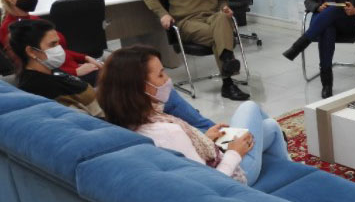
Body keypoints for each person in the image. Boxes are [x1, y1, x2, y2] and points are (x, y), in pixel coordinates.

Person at [98, 45, 289, 186]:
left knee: (270, 127)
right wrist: (234, 152)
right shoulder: (167, 131)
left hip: (213, 159)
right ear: (140, 87)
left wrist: (204, 138)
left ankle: (290, 169)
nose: (168, 80)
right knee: (250, 107)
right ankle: (285, 175)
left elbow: (183, 155)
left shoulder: (128, 121)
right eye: (161, 75)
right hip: (234, 177)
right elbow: (210, 184)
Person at [8, 19, 215, 129]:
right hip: (117, 119)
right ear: (31, 51)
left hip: (110, 106)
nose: (59, 49)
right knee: (162, 90)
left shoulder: (47, 70)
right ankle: (209, 132)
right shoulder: (39, 86)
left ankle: (208, 130)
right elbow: (84, 121)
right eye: (53, 45)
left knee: (160, 86)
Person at [143, 0, 250, 101]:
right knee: (223, 37)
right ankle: (228, 81)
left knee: (222, 19)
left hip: (213, 18)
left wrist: (224, 8)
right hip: (187, 22)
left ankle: (227, 62)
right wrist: (163, 14)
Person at [1, 0, 104, 84]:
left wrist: (84, 57)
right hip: (57, 78)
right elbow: (30, 68)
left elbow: (58, 50)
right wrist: (74, 72)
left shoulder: (35, 19)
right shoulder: (10, 30)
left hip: (69, 68)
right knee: (112, 77)